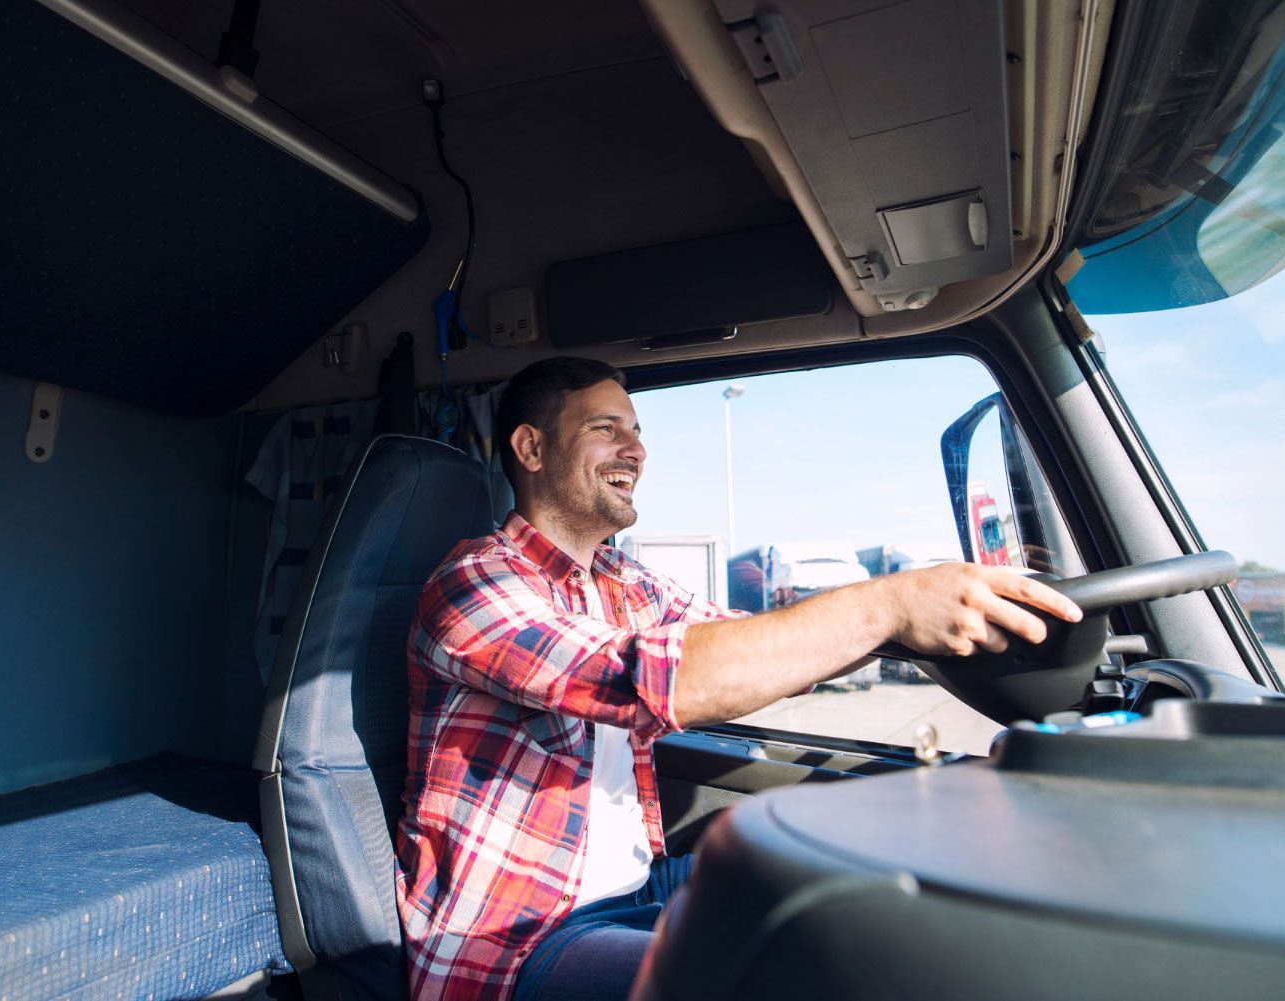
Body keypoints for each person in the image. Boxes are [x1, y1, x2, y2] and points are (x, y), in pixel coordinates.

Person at [394, 357, 1082, 1001]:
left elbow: (754, 647)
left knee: (869, 883)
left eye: (637, 431)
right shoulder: (473, 583)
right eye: (607, 429)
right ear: (531, 448)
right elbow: (659, 678)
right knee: (811, 974)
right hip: (520, 936)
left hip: (637, 887)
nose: (636, 450)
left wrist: (923, 621)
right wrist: (890, 605)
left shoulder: (622, 580)